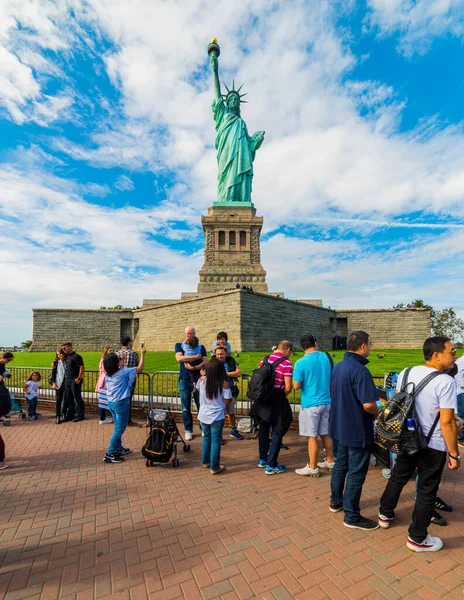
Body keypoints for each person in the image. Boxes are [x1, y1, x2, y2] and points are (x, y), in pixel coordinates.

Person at [378, 337, 460, 552]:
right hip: (432, 443)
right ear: (436, 355)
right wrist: (454, 453)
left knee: (398, 477)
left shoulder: (406, 372)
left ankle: (385, 514)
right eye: (451, 351)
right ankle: (417, 537)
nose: (455, 355)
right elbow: (447, 422)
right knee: (426, 489)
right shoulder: (445, 382)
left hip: (406, 436)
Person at [329, 330, 380, 530]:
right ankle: (351, 515)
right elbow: (368, 404)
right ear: (362, 346)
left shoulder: (339, 366)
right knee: (356, 472)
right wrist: (378, 413)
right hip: (356, 428)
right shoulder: (360, 370)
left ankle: (336, 501)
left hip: (339, 425)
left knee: (341, 465)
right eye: (369, 344)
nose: (370, 347)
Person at [293, 334, 335, 477]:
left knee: (311, 437)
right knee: (325, 433)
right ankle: (330, 460)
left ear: (302, 347)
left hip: (310, 404)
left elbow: (296, 386)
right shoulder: (325, 357)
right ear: (315, 343)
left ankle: (312, 467)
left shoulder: (300, 363)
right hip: (326, 401)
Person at [250, 341, 294, 475]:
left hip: (262, 399)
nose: (291, 354)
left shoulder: (265, 359)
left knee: (263, 427)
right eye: (291, 351)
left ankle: (262, 459)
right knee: (278, 429)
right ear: (287, 349)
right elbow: (287, 387)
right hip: (277, 399)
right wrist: (283, 393)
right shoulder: (286, 363)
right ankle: (271, 464)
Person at [103, 346, 146, 463]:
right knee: (119, 429)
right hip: (121, 402)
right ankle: (109, 453)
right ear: (116, 363)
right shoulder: (124, 372)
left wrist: (119, 360)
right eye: (118, 360)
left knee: (117, 426)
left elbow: (118, 367)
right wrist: (142, 354)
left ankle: (118, 448)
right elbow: (139, 368)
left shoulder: (108, 374)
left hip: (111, 402)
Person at [197, 359, 232, 474]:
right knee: (216, 441)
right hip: (217, 415)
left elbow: (197, 389)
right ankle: (214, 467)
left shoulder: (201, 380)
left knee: (206, 438)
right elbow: (228, 400)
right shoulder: (224, 383)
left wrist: (202, 375)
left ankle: (205, 462)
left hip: (203, 414)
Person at [175, 326, 208, 441]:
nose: (190, 335)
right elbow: (179, 358)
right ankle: (188, 430)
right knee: (185, 408)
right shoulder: (179, 345)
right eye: (188, 333)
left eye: (192, 333)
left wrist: (194, 367)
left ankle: (203, 428)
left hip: (199, 380)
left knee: (201, 406)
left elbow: (205, 361)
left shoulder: (201, 346)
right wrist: (195, 357)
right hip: (185, 380)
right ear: (185, 334)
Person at [213, 346, 243, 440]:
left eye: (221, 354)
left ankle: (233, 430)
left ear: (226, 354)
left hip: (230, 390)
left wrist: (224, 374)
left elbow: (238, 373)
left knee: (231, 412)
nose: (219, 356)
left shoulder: (231, 361)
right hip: (218, 392)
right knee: (220, 414)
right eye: (217, 354)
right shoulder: (213, 363)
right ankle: (219, 435)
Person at [116, 337, 139, 426]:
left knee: (120, 399)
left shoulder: (117, 353)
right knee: (128, 400)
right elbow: (137, 367)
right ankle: (127, 420)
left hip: (119, 379)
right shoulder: (133, 353)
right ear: (129, 343)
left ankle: (119, 419)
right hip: (130, 379)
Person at [61, 342, 85, 422]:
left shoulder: (76, 357)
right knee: (68, 398)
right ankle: (70, 414)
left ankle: (80, 415)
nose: (63, 350)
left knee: (77, 397)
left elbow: (82, 367)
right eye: (62, 348)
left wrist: (79, 378)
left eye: (65, 348)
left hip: (74, 379)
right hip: (68, 380)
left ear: (70, 347)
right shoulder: (67, 357)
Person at [0, 352, 14, 470]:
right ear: (3, 358)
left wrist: (7, 375)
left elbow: (3, 372)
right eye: (8, 360)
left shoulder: (2, 365)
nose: (8, 362)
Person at [96, 345, 114, 425]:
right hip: (105, 382)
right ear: (106, 351)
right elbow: (106, 370)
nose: (112, 351)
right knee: (104, 400)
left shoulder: (105, 359)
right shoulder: (104, 360)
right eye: (110, 350)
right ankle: (102, 418)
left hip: (105, 381)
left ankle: (103, 417)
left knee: (104, 400)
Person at [50, 350, 67, 424]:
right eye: (58, 354)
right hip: (58, 382)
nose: (59, 355)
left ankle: (64, 413)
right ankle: (58, 416)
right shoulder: (55, 363)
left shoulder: (68, 361)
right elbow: (53, 374)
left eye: (60, 353)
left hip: (67, 383)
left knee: (66, 399)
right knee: (59, 400)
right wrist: (53, 383)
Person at [455, 353, 464, 446]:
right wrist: (463, 385)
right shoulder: (462, 360)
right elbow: (458, 373)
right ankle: (461, 438)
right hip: (461, 392)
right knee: (462, 415)